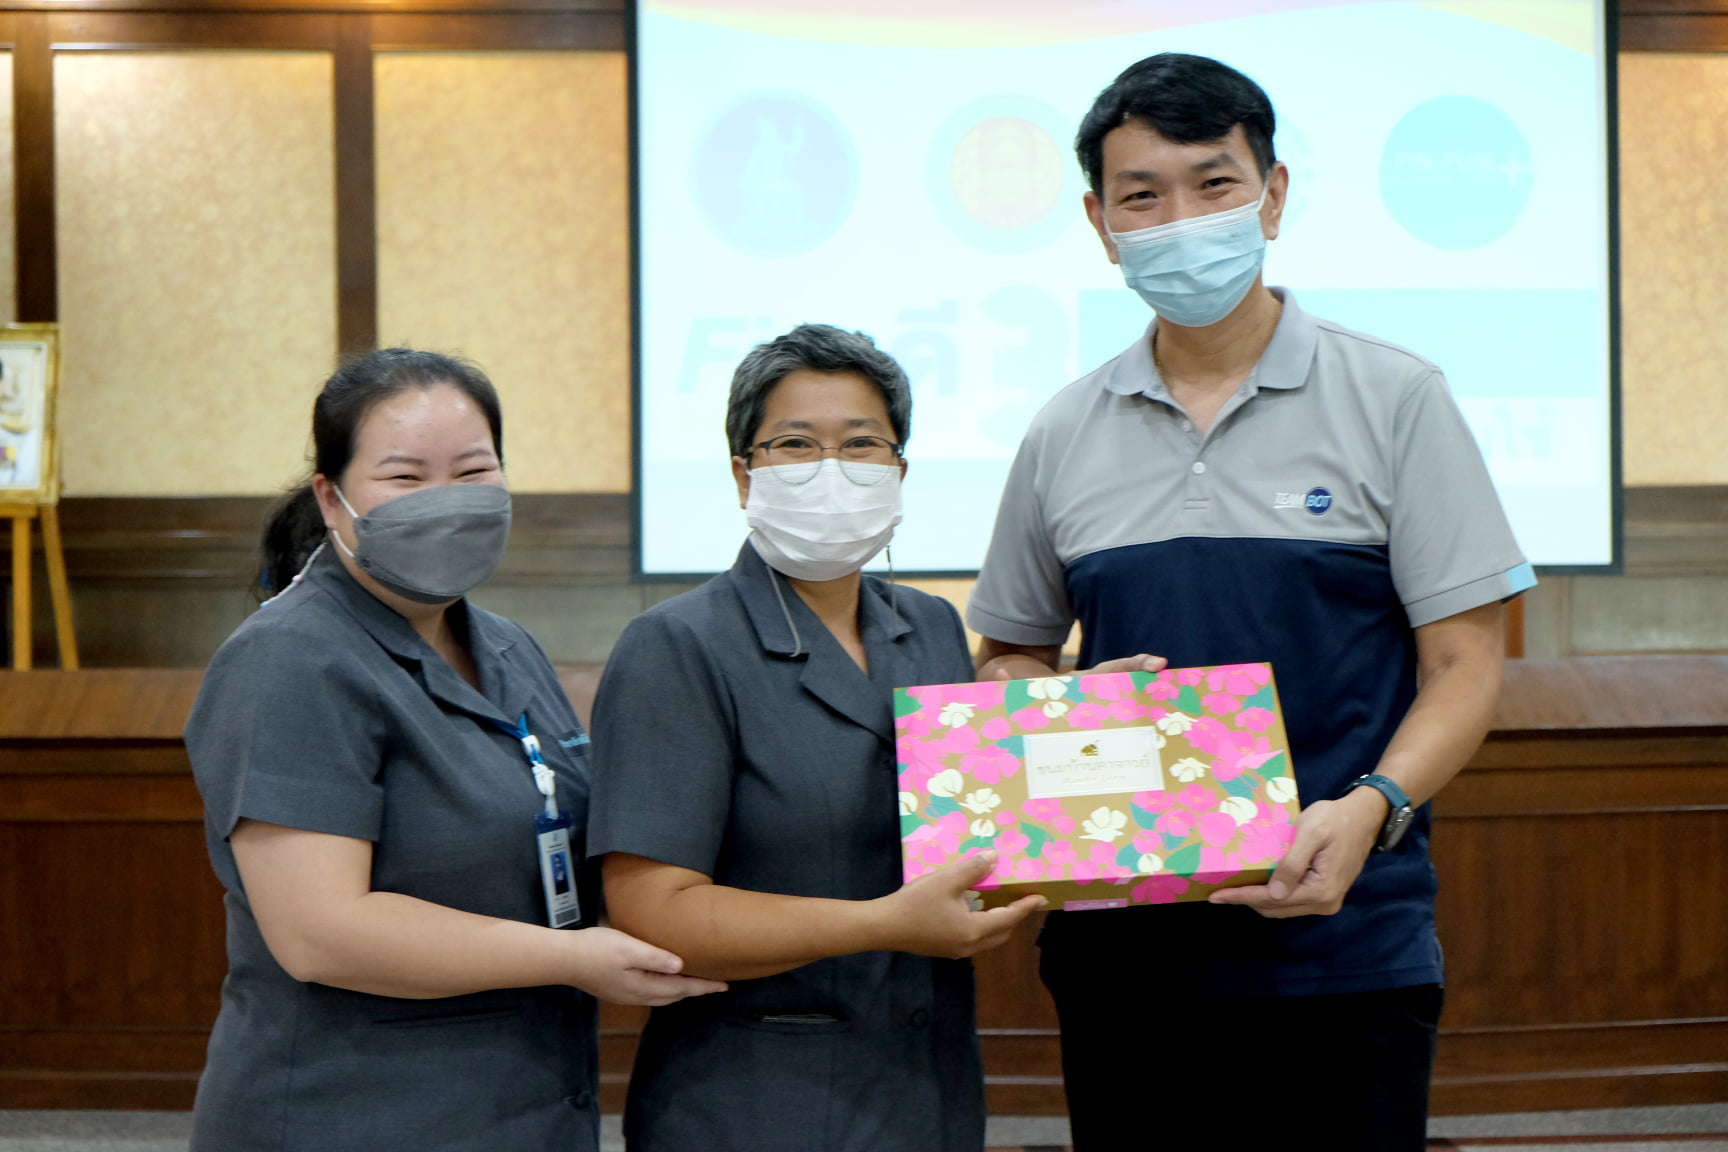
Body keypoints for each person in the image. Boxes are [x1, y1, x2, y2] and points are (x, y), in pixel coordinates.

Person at [965, 54, 1534, 1151]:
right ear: (1099, 220)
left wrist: (1369, 807)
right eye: (1143, 195)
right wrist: (1062, 702)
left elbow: (1466, 666)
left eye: (1213, 184)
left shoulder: (1396, 397)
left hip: (1345, 932)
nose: (1180, 219)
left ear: (1272, 195)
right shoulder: (1061, 430)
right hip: (1123, 952)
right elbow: (1009, 655)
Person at [183, 348, 724, 1152]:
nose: (446, 502)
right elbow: (321, 931)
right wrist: (573, 960)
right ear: (332, 500)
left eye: (474, 471)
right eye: (404, 478)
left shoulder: (507, 648)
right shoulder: (289, 661)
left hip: (524, 1105)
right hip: (353, 1113)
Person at [586, 324, 1045, 1152]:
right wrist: (882, 923)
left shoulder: (932, 629)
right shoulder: (678, 647)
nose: (831, 469)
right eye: (796, 444)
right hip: (756, 1101)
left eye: (862, 444)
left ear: (899, 471)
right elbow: (657, 915)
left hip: (927, 1088)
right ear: (743, 474)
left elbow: (975, 812)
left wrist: (1094, 722)